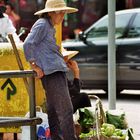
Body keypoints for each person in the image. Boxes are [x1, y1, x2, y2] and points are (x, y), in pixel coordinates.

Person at [23, 0, 78, 140]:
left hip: (55, 71)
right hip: (52, 73)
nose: (62, 16)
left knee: (54, 111)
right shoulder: (42, 24)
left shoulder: (48, 26)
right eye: (61, 13)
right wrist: (34, 65)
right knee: (66, 110)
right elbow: (28, 44)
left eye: (63, 13)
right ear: (51, 13)